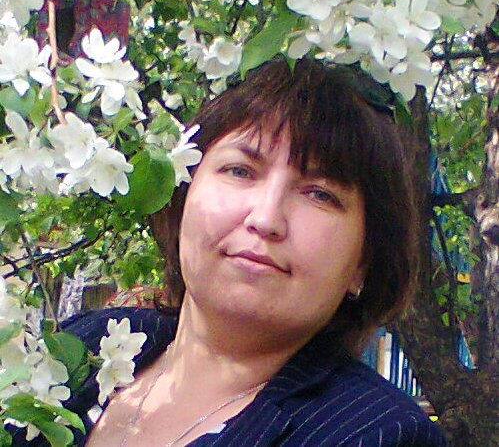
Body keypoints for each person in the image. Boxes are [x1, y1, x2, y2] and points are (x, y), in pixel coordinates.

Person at [12, 59, 447, 446]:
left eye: (320, 194)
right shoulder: (91, 343)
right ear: (181, 194)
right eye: (240, 170)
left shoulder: (375, 434)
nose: (266, 217)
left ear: (363, 262)